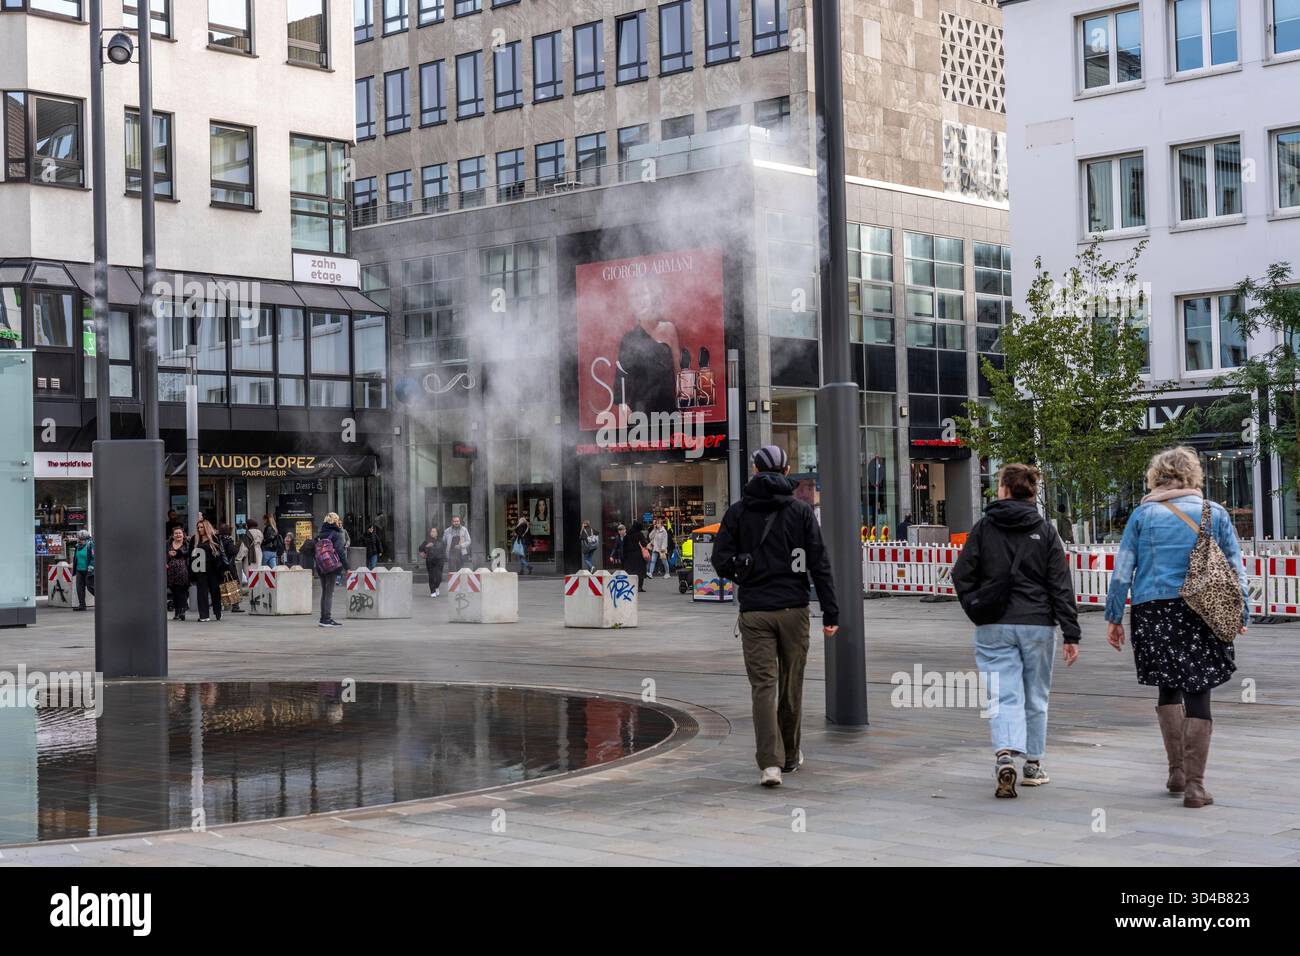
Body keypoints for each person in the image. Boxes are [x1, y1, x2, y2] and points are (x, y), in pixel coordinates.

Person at [1104, 446, 1248, 809]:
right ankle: (1196, 787)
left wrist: (1113, 616)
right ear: (1193, 475)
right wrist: (1240, 612)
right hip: (1201, 610)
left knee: (1168, 687)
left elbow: (1123, 570)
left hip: (1153, 610)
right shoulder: (1213, 513)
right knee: (1198, 689)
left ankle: (1176, 772)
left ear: (1156, 477)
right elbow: (1234, 568)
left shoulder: (1142, 515)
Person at [713, 444, 839, 788]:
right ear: (786, 473)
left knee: (763, 688)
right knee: (791, 684)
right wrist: (831, 611)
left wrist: (742, 571)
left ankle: (769, 764)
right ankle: (790, 756)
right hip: (794, 610)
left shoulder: (738, 512)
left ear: (755, 471)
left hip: (755, 612)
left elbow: (719, 559)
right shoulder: (800, 512)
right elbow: (820, 563)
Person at [951, 463, 1081, 799]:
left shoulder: (984, 528)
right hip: (1037, 624)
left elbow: (962, 573)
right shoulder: (1046, 531)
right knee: (1036, 696)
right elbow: (1060, 586)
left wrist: (976, 605)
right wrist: (1071, 633)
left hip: (994, 624)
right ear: (1033, 491)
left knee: (1003, 694)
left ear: (1005, 489)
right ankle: (1033, 765)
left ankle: (1004, 754)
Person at [315, 512, 347, 628]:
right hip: (331, 566)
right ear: (334, 521)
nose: (339, 522)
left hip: (320, 565)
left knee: (324, 592)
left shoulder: (320, 533)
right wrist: (347, 567)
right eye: (338, 520)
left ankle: (323, 618)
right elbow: (340, 552)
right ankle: (327, 619)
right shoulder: (336, 534)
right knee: (329, 592)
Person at [191, 519, 225, 623]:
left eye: (201, 527)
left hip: (213, 569)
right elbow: (190, 554)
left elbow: (220, 553)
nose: (199, 529)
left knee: (215, 591)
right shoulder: (195, 539)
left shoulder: (214, 538)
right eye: (198, 527)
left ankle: (217, 611)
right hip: (200, 569)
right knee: (202, 592)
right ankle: (204, 615)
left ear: (206, 527)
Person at [218, 523, 244, 613]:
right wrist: (238, 545)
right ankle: (235, 606)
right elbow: (233, 551)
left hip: (220, 566)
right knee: (233, 584)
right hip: (229, 566)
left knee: (223, 584)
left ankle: (225, 605)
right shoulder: (228, 541)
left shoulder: (218, 539)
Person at [166, 526, 190, 621]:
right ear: (173, 535)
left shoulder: (186, 544)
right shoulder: (168, 544)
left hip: (183, 570)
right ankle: (177, 612)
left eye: (179, 533)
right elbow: (163, 554)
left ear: (183, 534)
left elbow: (188, 553)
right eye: (176, 533)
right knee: (174, 592)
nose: (178, 535)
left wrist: (177, 553)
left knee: (182, 591)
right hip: (171, 571)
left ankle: (182, 611)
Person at [622, 521, 649, 592]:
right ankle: (639, 587)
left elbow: (624, 547)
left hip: (629, 556)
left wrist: (624, 557)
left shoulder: (627, 536)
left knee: (630, 571)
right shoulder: (639, 534)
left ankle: (631, 586)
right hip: (638, 555)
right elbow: (644, 544)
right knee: (640, 571)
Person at [418, 527, 445, 597]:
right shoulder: (427, 541)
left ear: (437, 533)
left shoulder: (441, 541)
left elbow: (444, 550)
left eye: (434, 531)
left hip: (439, 561)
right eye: (431, 532)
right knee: (432, 576)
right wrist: (424, 551)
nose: (432, 533)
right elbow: (420, 549)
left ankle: (436, 587)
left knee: (439, 577)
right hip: (430, 561)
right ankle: (432, 591)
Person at [72, 530, 94, 611]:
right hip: (79, 569)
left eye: (81, 539)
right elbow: (76, 557)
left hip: (88, 570)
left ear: (86, 539)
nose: (79, 540)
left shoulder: (90, 545)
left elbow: (93, 556)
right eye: (79, 538)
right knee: (79, 588)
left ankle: (103, 602)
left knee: (90, 587)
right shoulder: (77, 546)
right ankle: (82, 605)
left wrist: (91, 566)